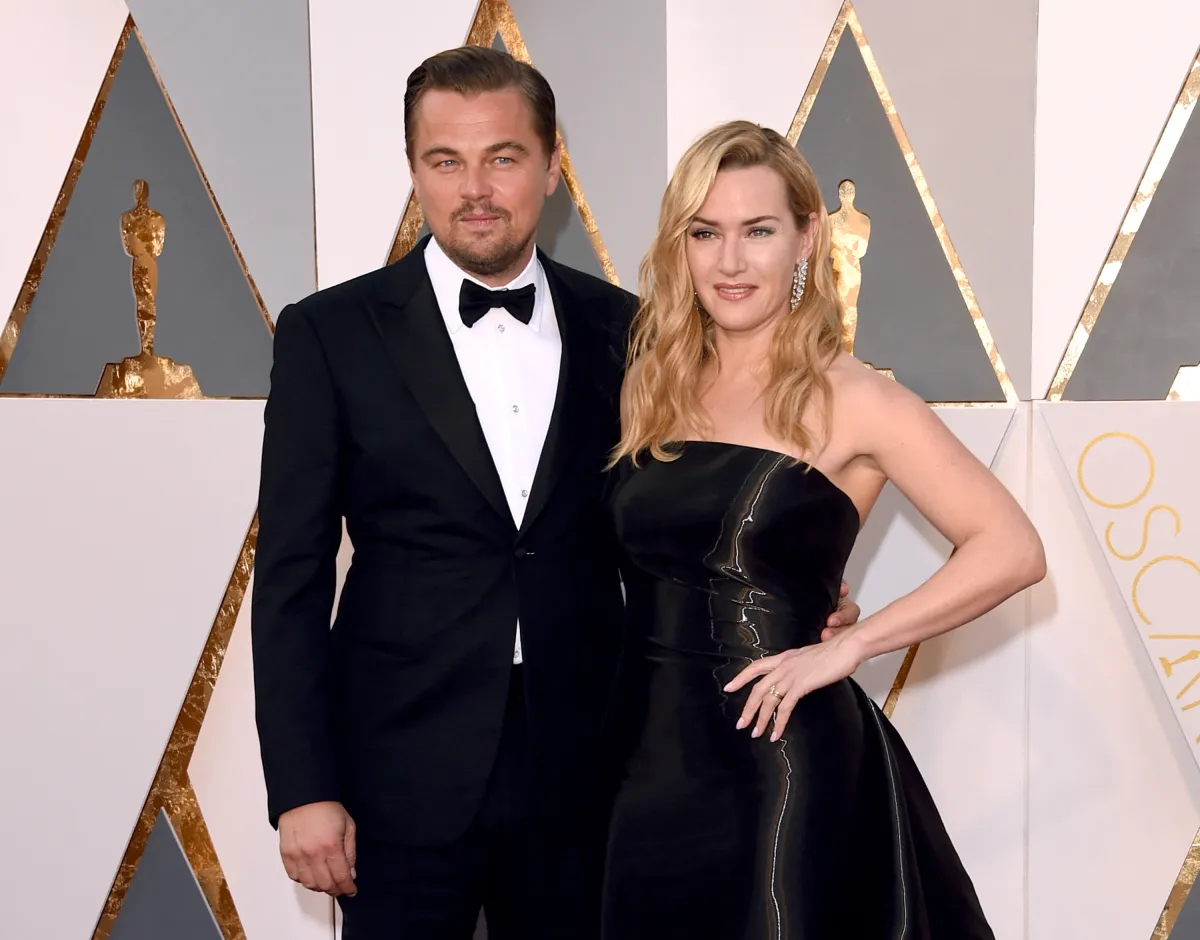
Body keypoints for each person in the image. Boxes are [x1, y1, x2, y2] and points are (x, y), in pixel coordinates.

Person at [251, 49, 861, 939]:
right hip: (398, 775)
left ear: (551, 164)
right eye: (444, 161)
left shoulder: (632, 330)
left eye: (502, 157)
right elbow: (291, 577)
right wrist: (303, 788)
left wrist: (795, 586)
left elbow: (675, 521)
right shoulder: (329, 334)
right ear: (414, 170)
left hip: (595, 764)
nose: (475, 190)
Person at [601, 120, 1046, 939]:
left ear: (807, 235)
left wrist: (852, 643)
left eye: (758, 231)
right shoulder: (651, 385)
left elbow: (1013, 548)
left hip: (778, 757)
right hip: (644, 755)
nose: (730, 262)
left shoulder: (856, 398)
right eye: (706, 233)